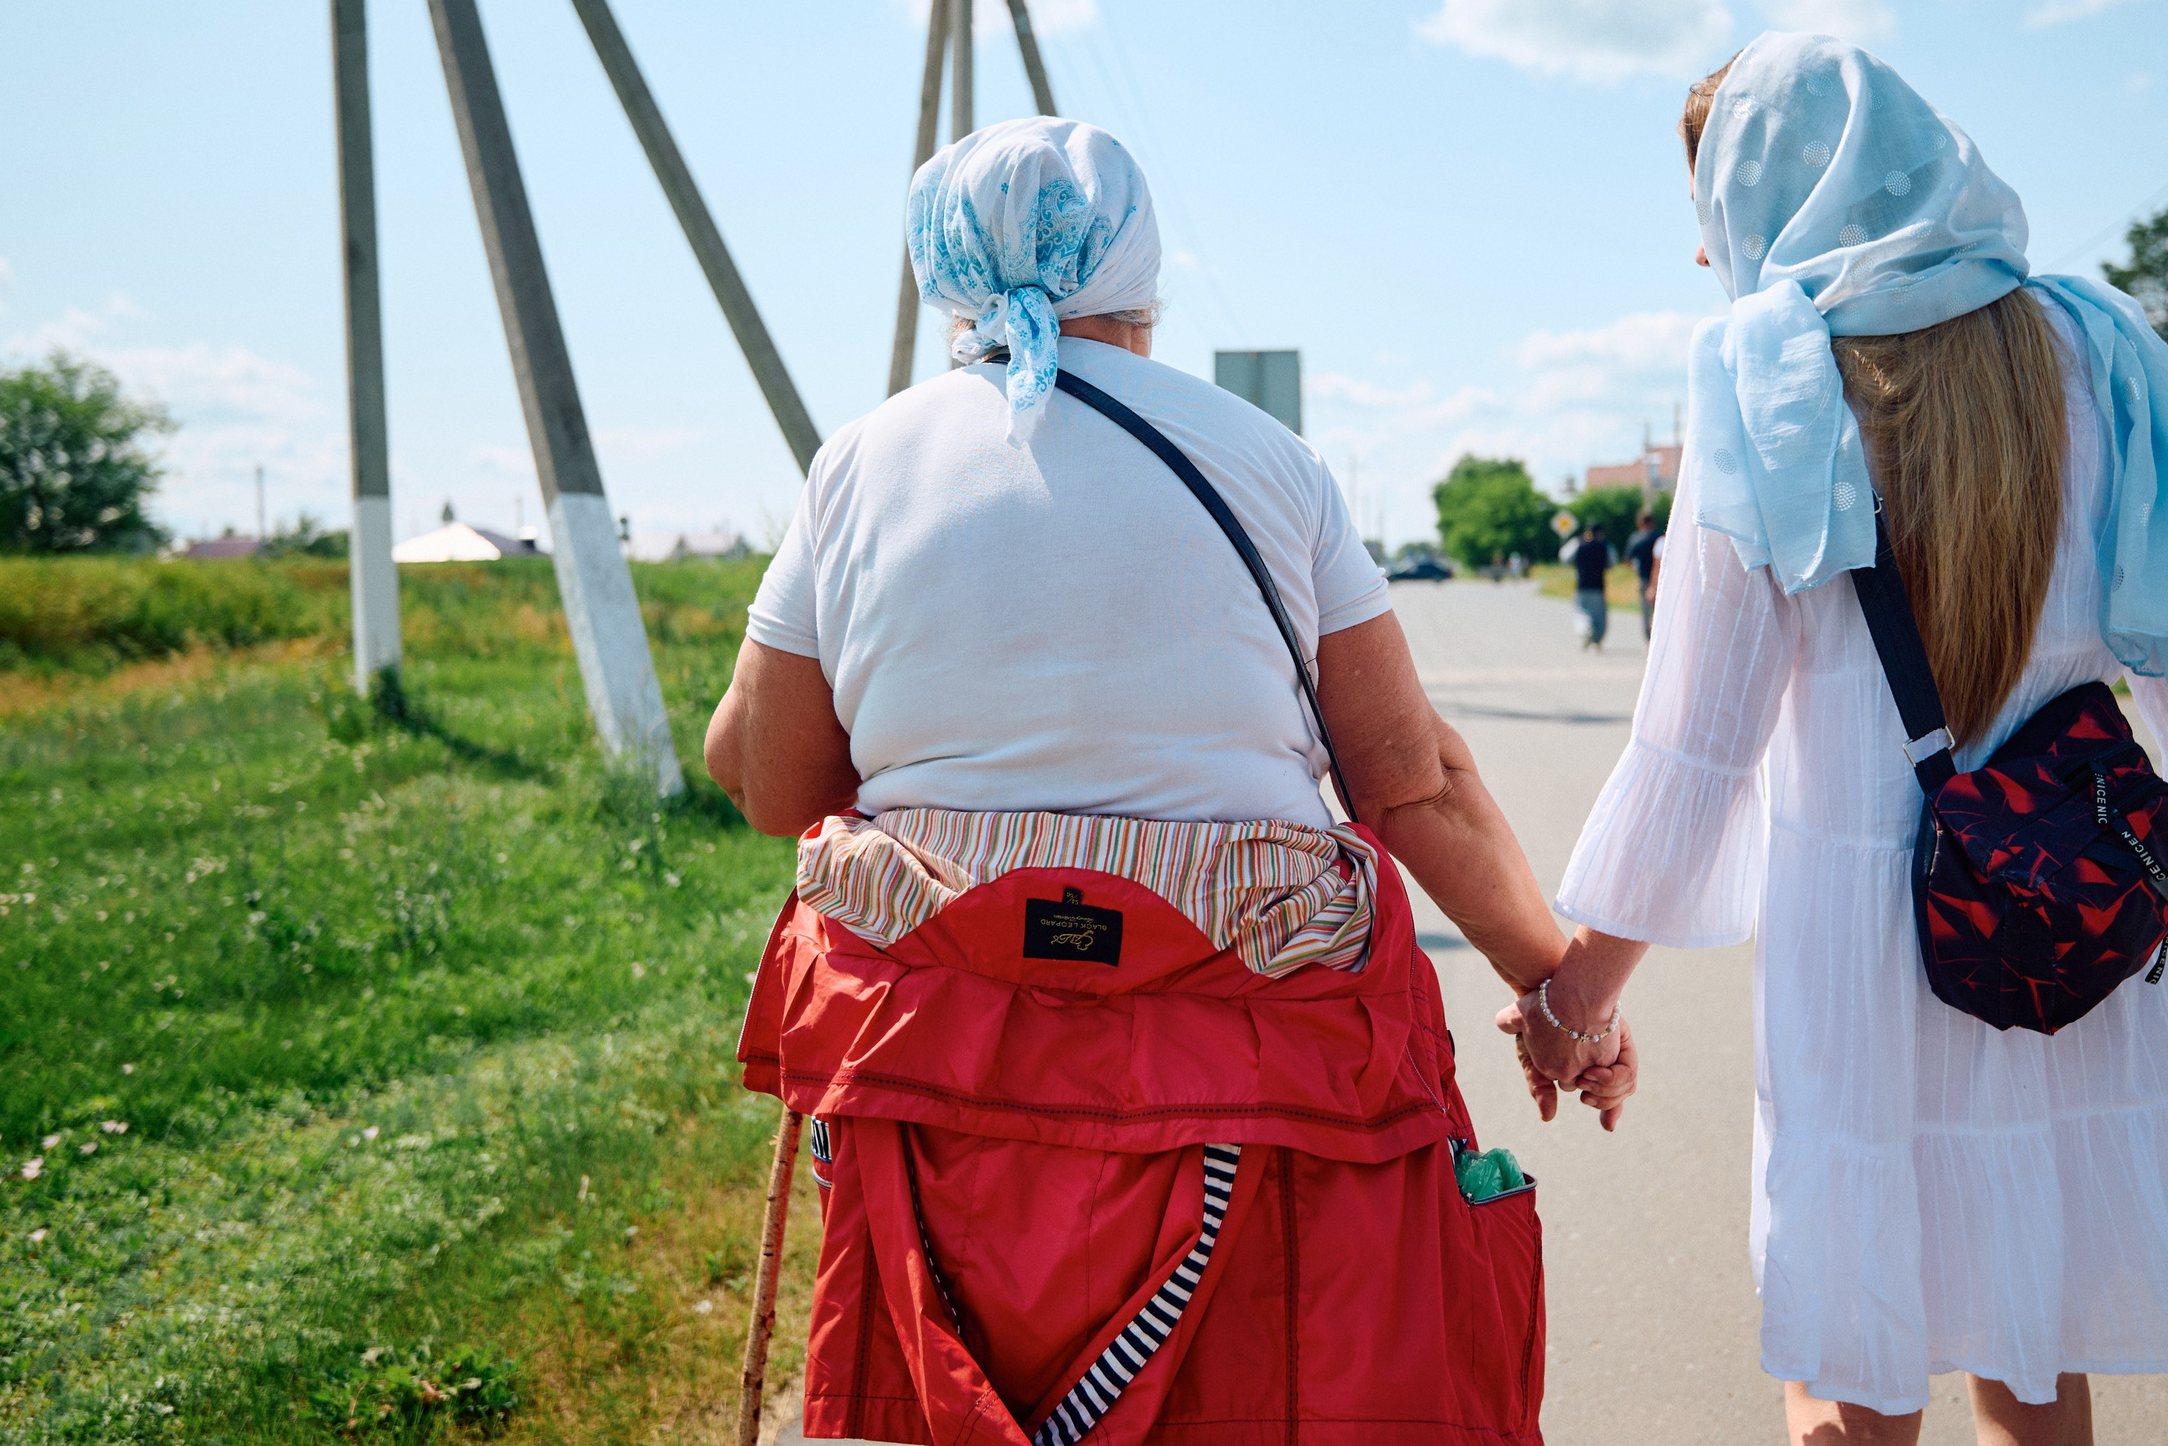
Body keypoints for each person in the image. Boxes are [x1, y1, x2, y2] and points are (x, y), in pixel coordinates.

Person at [706, 116, 1632, 1446]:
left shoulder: (859, 465)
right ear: (1143, 276)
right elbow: (1410, 779)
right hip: (1249, 1090)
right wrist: (1559, 989)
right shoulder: (1265, 462)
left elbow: (765, 774)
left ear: (944, 270)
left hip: (944, 1080)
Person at [1510, 36, 2168, 1446]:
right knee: (2030, 1345)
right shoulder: (2097, 346)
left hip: (1871, 948)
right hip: (2074, 919)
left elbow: (1696, 745)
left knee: (1849, 1372)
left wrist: (1575, 991)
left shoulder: (1765, 378)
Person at [1570, 522, 1612, 651]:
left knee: (1581, 611)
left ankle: (1585, 629)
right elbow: (1611, 562)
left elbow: (1565, 557)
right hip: (1598, 586)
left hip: (1582, 585)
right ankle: (1597, 640)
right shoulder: (1605, 546)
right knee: (1599, 616)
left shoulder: (1579, 544)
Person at [1624, 511, 1662, 639]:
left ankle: (1649, 637)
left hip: (1644, 577)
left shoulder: (1636, 538)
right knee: (1659, 609)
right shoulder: (1660, 536)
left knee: (1645, 610)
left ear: (1640, 523)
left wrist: (1636, 569)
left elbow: (1628, 559)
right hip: (1662, 578)